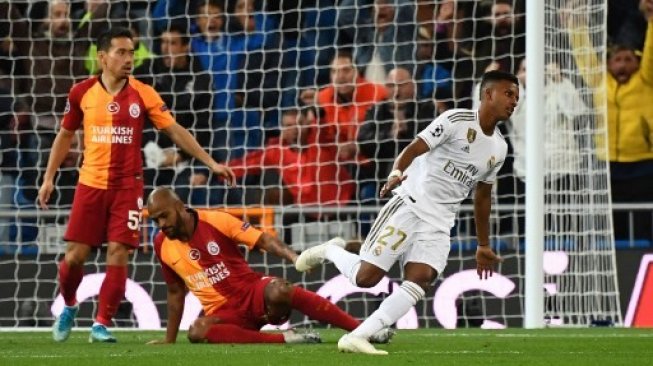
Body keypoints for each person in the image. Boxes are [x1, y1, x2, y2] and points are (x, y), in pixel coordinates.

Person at [296, 70, 518, 354]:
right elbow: (414, 148)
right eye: (509, 94)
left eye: (517, 97)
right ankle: (330, 250)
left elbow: (483, 196)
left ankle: (358, 336)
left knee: (421, 277)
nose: (514, 102)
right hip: (410, 205)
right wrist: (397, 172)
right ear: (488, 94)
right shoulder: (455, 120)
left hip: (440, 222)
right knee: (365, 279)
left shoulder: (499, 148)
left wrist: (483, 244)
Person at [37, 27, 236, 343]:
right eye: (121, 52)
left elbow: (174, 130)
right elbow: (64, 135)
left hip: (128, 189)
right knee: (74, 258)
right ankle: (71, 305)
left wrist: (210, 162)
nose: (128, 59)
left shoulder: (143, 93)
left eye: (131, 52)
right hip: (90, 185)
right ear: (103, 57)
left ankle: (101, 324)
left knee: (118, 252)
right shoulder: (81, 93)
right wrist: (49, 178)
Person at [146, 187, 393, 345]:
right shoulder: (161, 244)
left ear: (180, 207)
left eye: (164, 216)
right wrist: (169, 340)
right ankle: (284, 338)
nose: (160, 223)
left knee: (280, 290)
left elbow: (262, 238)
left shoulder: (214, 220)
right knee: (197, 331)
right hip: (225, 314)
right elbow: (176, 292)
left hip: (252, 292)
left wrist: (293, 257)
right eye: (155, 219)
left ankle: (364, 330)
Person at [564, 0, 653, 239]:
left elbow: (651, 53)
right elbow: (583, 54)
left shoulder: (646, 80)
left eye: (628, 59)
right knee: (616, 227)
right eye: (617, 60)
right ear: (608, 63)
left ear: (637, 61)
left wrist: (652, 21)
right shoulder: (599, 82)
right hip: (609, 166)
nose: (623, 65)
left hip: (645, 165)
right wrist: (575, 25)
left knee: (646, 226)